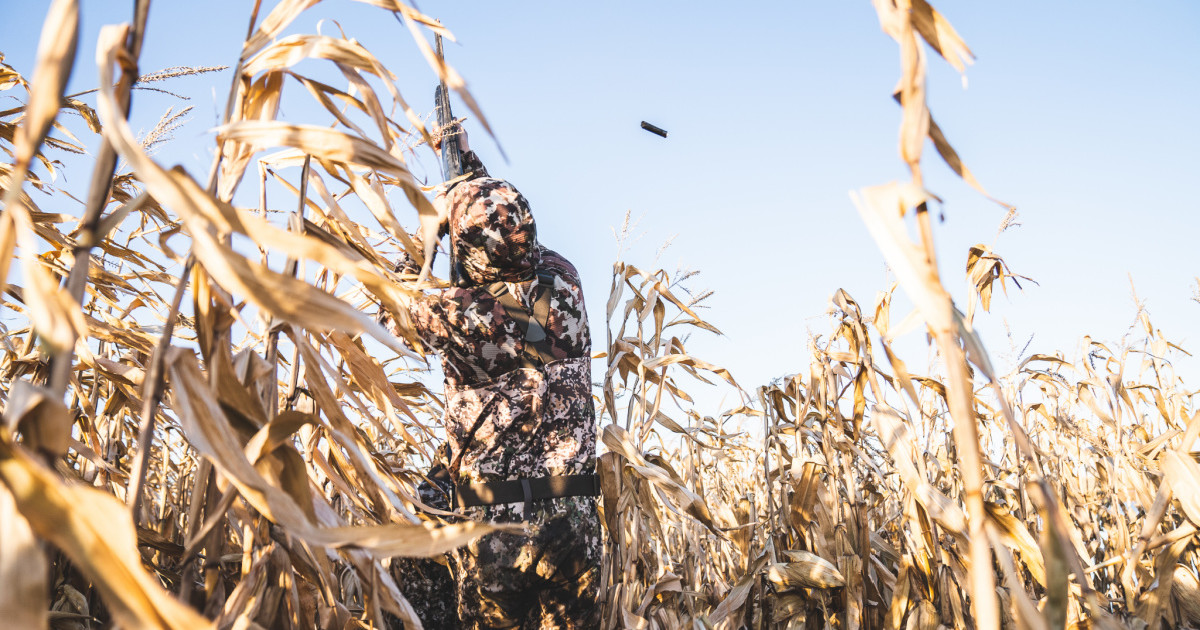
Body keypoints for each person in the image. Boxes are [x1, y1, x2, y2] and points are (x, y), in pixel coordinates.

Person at [385, 125, 601, 630]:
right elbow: (503, 228)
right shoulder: (565, 280)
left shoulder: (457, 313)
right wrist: (464, 169)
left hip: (495, 530)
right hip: (574, 521)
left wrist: (430, 230)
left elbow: (391, 301)